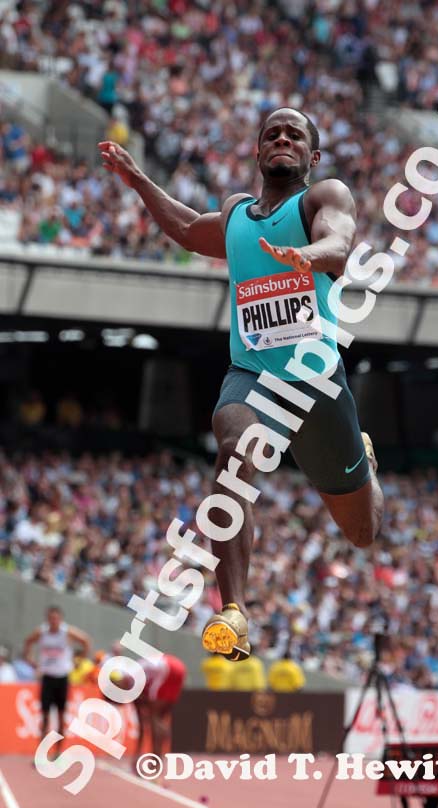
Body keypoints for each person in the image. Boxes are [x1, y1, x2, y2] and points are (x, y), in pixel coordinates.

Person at [99, 107, 384, 663]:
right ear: (257, 153)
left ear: (312, 156)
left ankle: (365, 467)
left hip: (313, 380)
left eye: (294, 135)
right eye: (271, 134)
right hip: (250, 374)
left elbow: (340, 243)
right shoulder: (237, 216)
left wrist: (307, 256)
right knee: (232, 447)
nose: (282, 139)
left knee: (363, 531)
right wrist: (139, 182)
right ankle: (234, 612)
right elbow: (185, 227)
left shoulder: (321, 197)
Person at [23, 606, 91, 753]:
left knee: (61, 716)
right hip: (47, 677)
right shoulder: (42, 632)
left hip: (62, 678)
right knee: (45, 717)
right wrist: (30, 660)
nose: (54, 621)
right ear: (48, 619)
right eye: (51, 619)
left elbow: (85, 640)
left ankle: (58, 752)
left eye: (56, 619)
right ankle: (41, 753)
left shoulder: (67, 632)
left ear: (60, 619)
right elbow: (28, 641)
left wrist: (79, 660)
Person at [133, 654, 186, 771]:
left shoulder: (131, 682)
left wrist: (136, 756)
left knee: (154, 718)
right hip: (179, 666)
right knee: (159, 717)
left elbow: (142, 726)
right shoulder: (138, 682)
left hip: (166, 668)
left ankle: (163, 735)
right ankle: (156, 762)